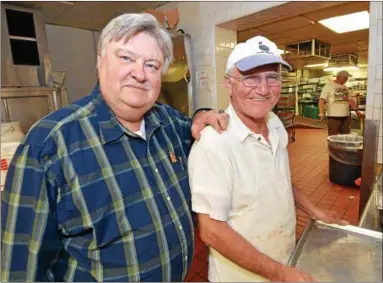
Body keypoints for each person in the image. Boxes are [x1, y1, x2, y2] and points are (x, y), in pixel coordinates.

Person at [1, 13, 229, 282]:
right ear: (100, 61)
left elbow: (196, 125)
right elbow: (19, 268)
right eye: (126, 58)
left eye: (152, 65)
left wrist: (204, 113)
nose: (139, 73)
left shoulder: (168, 122)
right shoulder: (51, 144)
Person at [188, 36, 349, 282]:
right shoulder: (215, 143)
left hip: (283, 259)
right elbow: (212, 232)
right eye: (251, 77)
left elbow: (280, 180)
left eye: (272, 77)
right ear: (229, 84)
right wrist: (282, 274)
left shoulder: (274, 125)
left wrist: (314, 211)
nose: (263, 90)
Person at [318, 70, 364, 135]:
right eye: (345, 77)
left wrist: (356, 110)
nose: (347, 79)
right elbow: (321, 100)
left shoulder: (345, 87)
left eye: (347, 78)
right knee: (333, 136)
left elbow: (350, 100)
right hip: (333, 116)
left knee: (345, 136)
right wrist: (321, 113)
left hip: (345, 116)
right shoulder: (328, 86)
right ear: (339, 77)